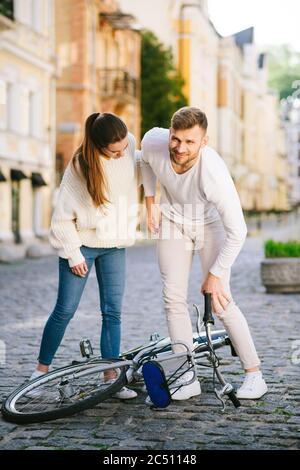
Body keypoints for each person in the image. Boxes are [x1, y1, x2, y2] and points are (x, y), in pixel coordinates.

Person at [140, 106, 268, 401]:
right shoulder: (153, 141)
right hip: (174, 221)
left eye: (190, 142)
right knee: (172, 297)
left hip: (211, 226)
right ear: (169, 133)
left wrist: (215, 275)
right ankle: (186, 377)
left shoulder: (213, 174)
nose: (180, 148)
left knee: (221, 301)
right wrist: (150, 200)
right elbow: (145, 160)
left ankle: (254, 374)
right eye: (176, 139)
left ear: (204, 142)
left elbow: (239, 231)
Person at [30, 112, 139, 399]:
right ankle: (39, 372)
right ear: (99, 146)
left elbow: (148, 164)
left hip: (115, 245)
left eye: (124, 148)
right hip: (82, 246)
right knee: (65, 309)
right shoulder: (81, 165)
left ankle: (111, 376)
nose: (122, 153)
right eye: (114, 151)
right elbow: (61, 218)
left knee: (112, 311)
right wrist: (73, 254)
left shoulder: (128, 144)